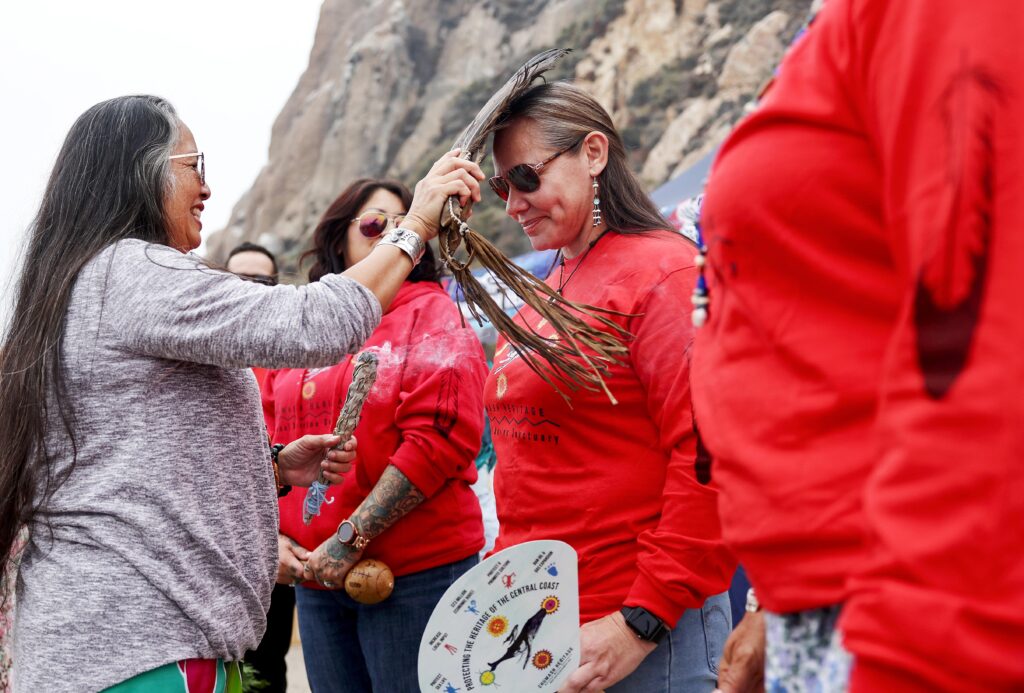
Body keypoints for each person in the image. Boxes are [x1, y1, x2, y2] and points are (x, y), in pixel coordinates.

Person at [0, 95, 484, 693]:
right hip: (145, 650)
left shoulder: (78, 282)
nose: (206, 187)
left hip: (126, 644)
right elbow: (314, 325)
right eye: (193, 165)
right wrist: (417, 225)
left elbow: (127, 460)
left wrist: (271, 468)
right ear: (140, 172)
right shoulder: (132, 273)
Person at [692, 1, 1024, 691]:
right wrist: (771, 606)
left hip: (913, 604)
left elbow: (985, 353)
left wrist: (922, 652)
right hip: (831, 598)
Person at [483, 81, 736, 693]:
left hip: (639, 635)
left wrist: (641, 620)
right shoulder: (549, 287)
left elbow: (712, 456)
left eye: (525, 177)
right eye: (500, 186)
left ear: (593, 153)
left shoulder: (665, 273)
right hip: (545, 629)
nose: (513, 204)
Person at [266, 178, 488, 692]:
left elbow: (441, 439)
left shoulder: (433, 312)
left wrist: (350, 538)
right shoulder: (311, 320)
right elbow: (265, 438)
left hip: (413, 575)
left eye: (405, 224)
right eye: (374, 224)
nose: (390, 234)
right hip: (316, 577)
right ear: (338, 237)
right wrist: (271, 537)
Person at [223, 243, 293, 692]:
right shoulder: (200, 357)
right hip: (218, 550)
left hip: (279, 548)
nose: (250, 289)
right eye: (239, 280)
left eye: (262, 281)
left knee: (266, 674)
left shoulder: (293, 362)